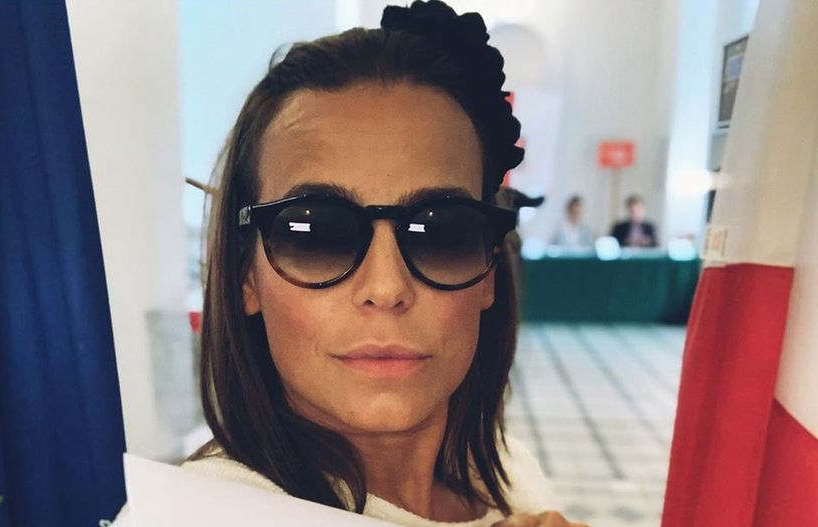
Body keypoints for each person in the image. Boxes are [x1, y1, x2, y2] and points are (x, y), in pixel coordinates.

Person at [113, 2, 586, 525]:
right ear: (247, 274)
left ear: (489, 271)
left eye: (441, 233)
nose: (386, 288)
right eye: (316, 234)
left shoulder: (513, 477)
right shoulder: (190, 516)